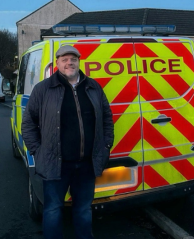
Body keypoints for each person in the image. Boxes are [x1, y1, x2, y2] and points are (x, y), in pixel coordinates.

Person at [22, 45, 114, 239]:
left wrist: (105, 147)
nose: (69, 63)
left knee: (83, 209)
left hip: (87, 163)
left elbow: (107, 118)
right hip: (56, 164)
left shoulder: (93, 86)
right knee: (53, 209)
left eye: (73, 59)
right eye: (64, 59)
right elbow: (28, 123)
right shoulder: (43, 89)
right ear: (57, 63)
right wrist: (38, 152)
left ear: (79, 62)